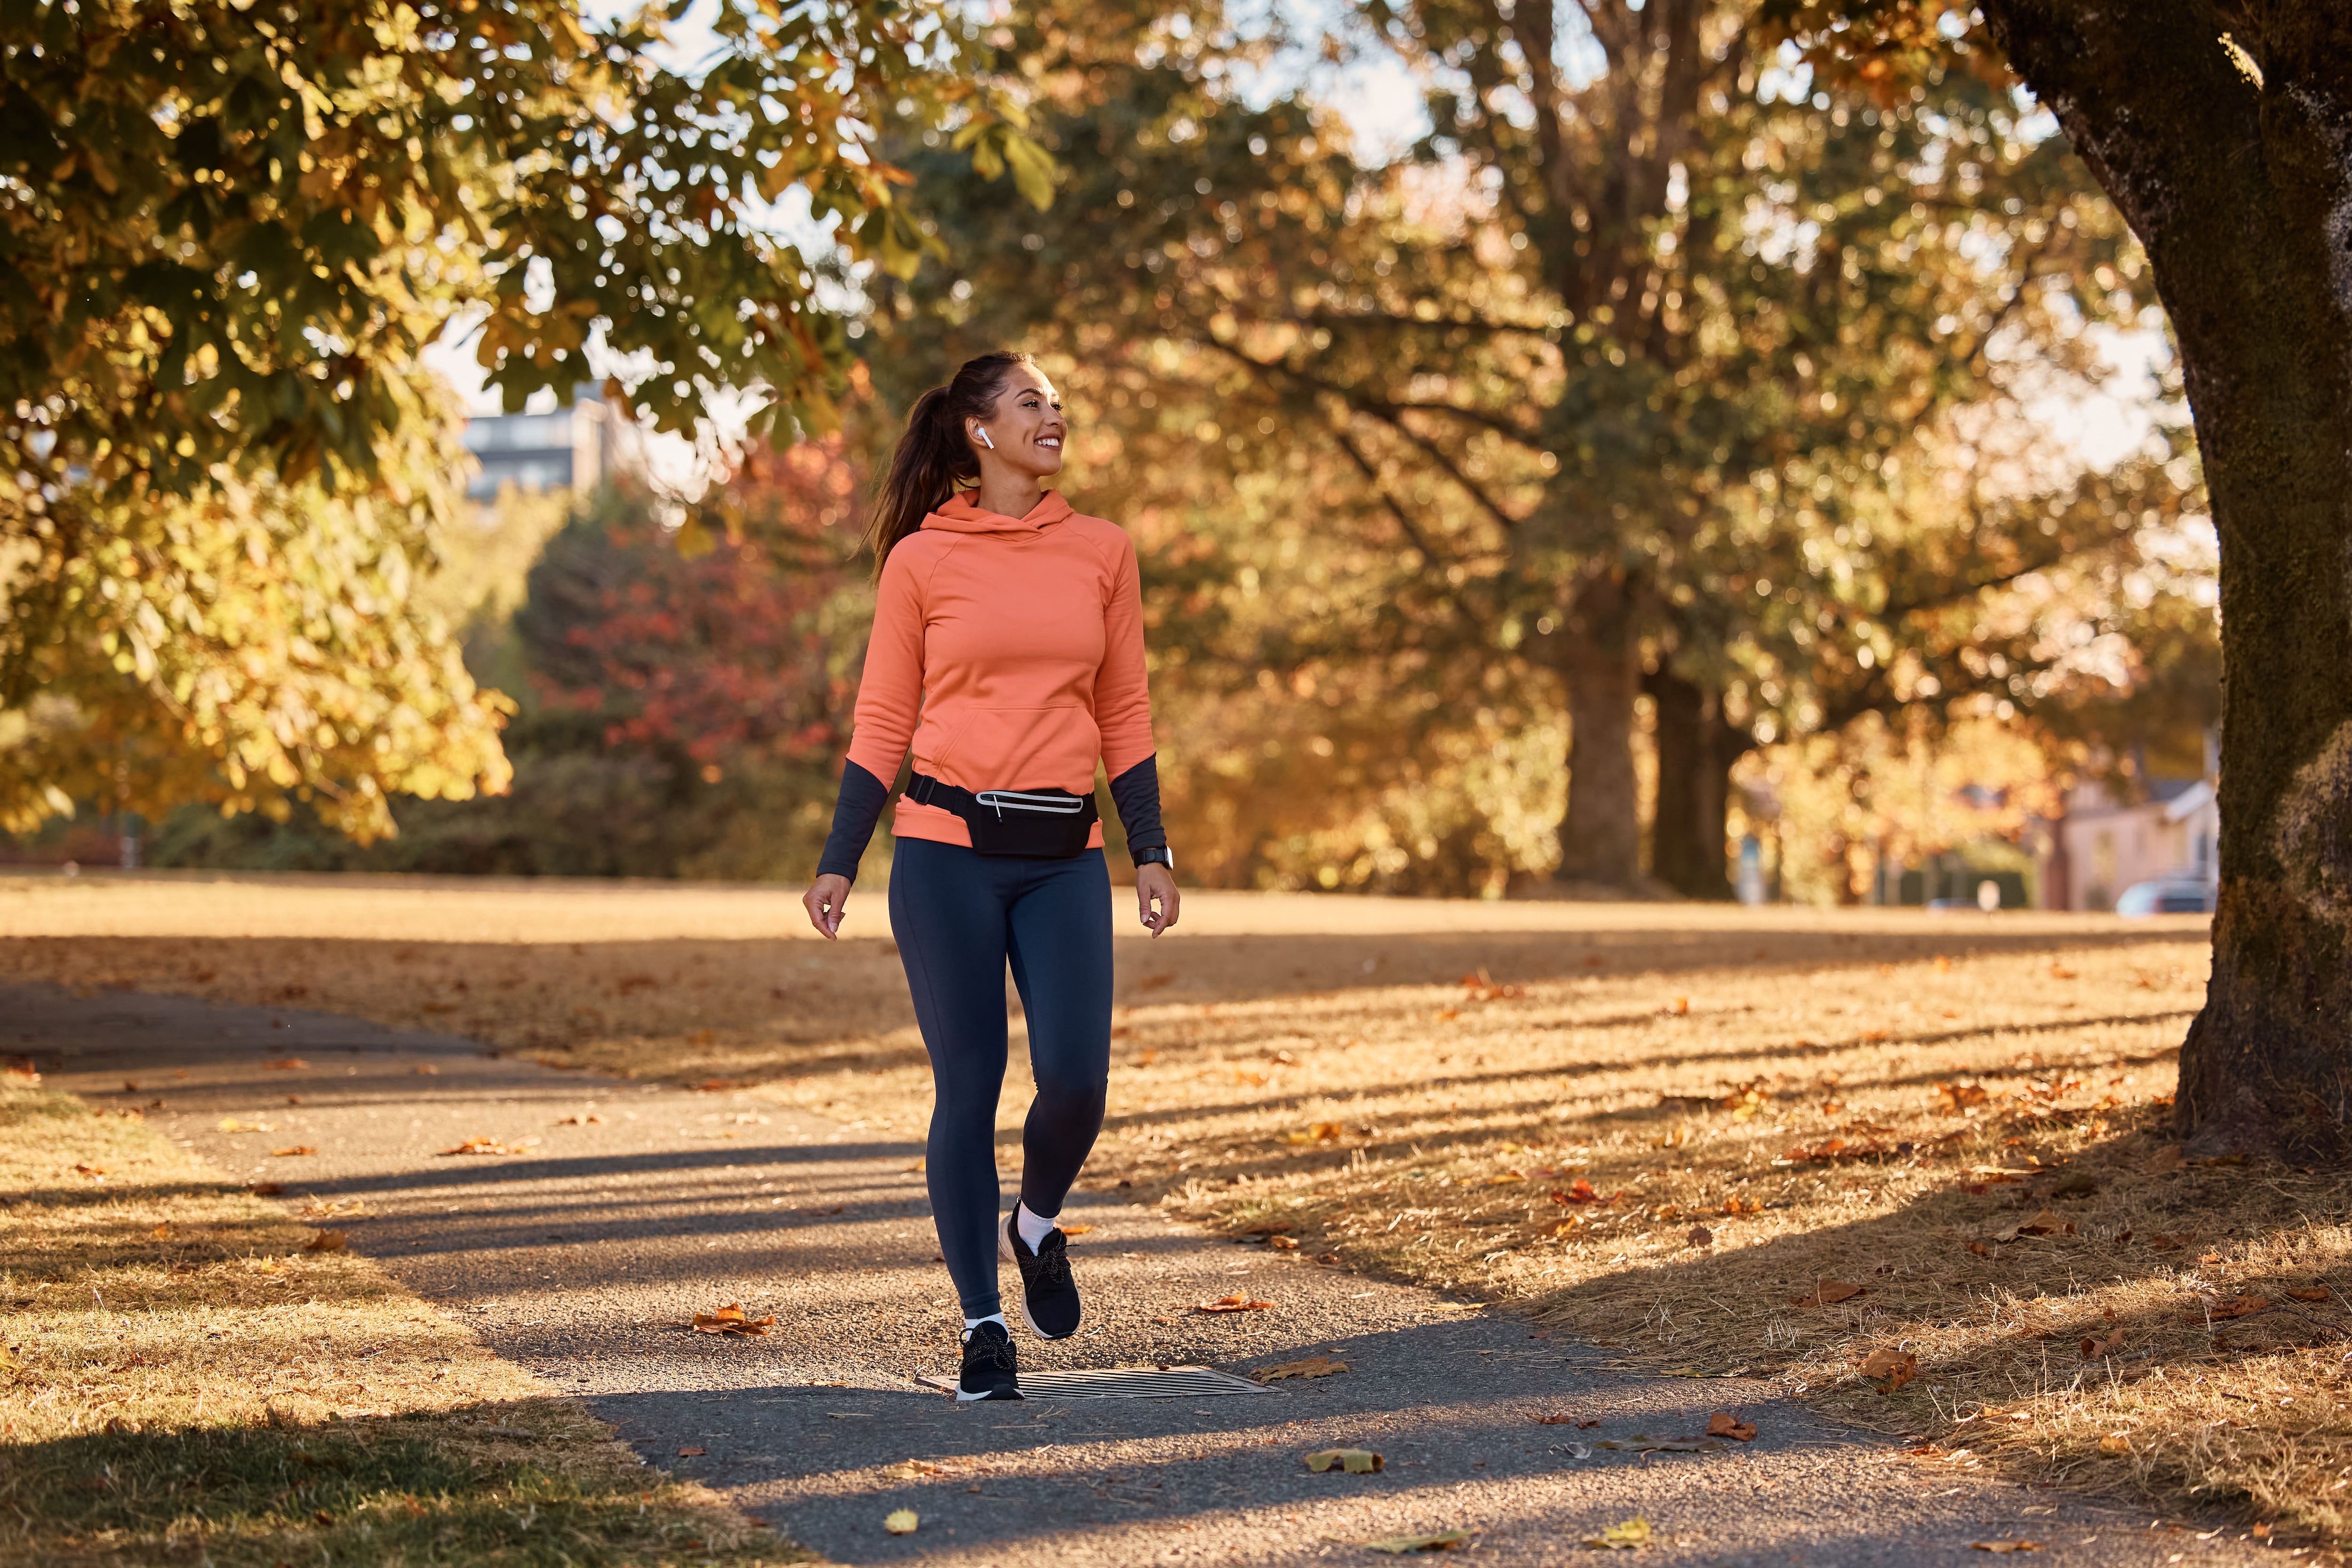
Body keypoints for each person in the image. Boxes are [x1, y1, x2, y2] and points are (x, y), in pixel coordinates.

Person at [801, 351, 1180, 1401]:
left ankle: (1037, 1218)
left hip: (1065, 860)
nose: (1053, 415)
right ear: (978, 430)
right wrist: (840, 856)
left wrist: (1149, 847)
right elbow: (883, 718)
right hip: (944, 854)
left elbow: (1125, 714)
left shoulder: (1102, 553)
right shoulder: (921, 561)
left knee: (1076, 1083)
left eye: (1058, 401)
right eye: (1030, 402)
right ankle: (981, 1326)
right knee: (966, 1089)